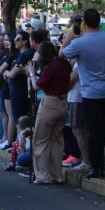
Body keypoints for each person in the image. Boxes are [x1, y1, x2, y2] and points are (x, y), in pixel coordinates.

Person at [61, 8, 105, 178]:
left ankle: (97, 166)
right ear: (99, 22)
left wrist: (70, 38)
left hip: (90, 93)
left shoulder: (80, 43)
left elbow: (61, 54)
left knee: (95, 131)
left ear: (85, 23)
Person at [29, 41, 71, 185]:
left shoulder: (50, 68)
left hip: (50, 102)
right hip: (63, 102)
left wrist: (31, 73)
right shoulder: (63, 64)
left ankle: (42, 175)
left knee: (41, 139)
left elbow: (36, 86)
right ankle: (56, 174)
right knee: (57, 140)